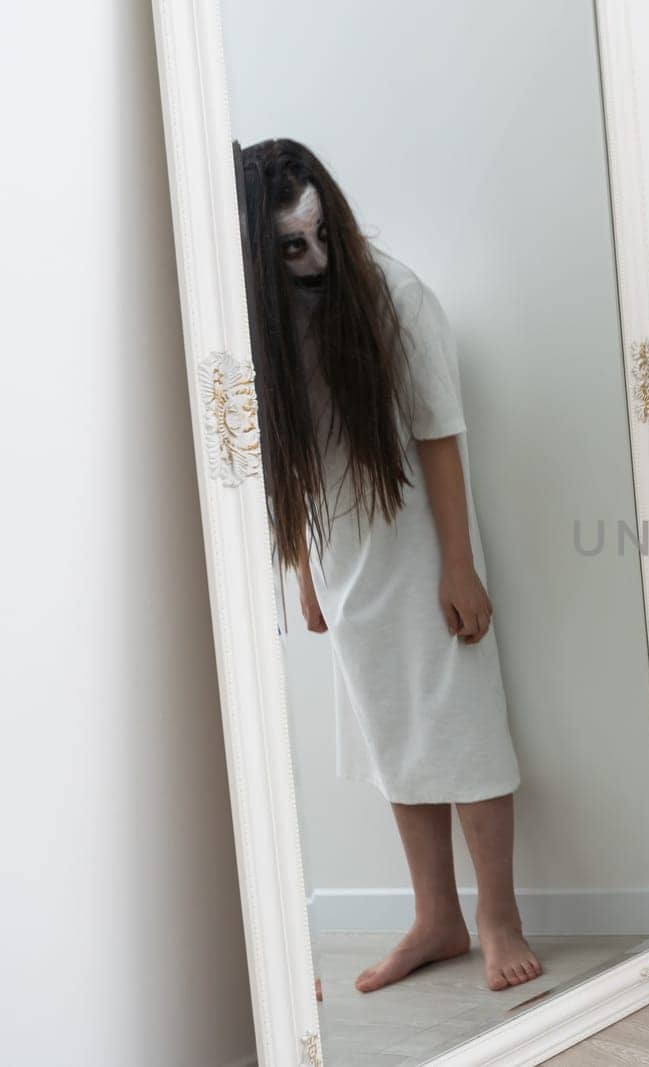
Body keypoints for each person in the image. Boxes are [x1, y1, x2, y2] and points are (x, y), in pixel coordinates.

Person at [239, 139, 541, 994]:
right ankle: (437, 917)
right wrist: (301, 567)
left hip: (420, 548)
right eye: (292, 247)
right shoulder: (262, 318)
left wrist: (460, 565)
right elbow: (291, 456)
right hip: (344, 559)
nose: (315, 259)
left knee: (464, 727)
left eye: (322, 234)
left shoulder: (395, 295)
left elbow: (441, 435)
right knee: (393, 741)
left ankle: (499, 917)